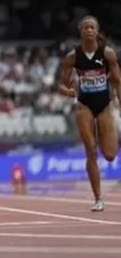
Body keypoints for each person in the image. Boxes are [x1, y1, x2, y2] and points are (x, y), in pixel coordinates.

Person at [58, 15, 120, 212]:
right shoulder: (73, 56)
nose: (88, 30)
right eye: (85, 28)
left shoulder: (107, 53)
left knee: (109, 155)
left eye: (92, 27)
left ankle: (104, 134)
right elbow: (62, 84)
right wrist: (66, 91)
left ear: (97, 31)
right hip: (84, 104)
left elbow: (118, 81)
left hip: (104, 104)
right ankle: (98, 198)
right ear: (81, 32)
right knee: (90, 151)